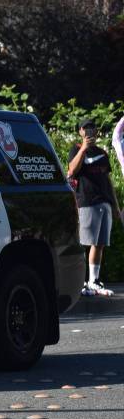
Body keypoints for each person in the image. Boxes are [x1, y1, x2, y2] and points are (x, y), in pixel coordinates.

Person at [68, 118, 122, 297]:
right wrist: (83, 148)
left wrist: (115, 206)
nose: (90, 131)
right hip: (86, 202)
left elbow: (108, 180)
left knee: (99, 244)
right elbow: (72, 170)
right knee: (84, 243)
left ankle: (94, 280)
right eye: (86, 128)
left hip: (104, 202)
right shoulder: (76, 149)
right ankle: (80, 282)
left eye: (92, 127)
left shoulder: (102, 153)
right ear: (80, 132)